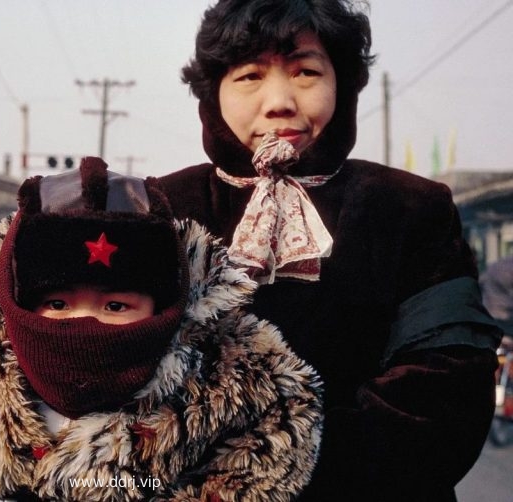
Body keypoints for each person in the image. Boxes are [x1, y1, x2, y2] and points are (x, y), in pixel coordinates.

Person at [157, 1, 502, 500]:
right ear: (213, 94)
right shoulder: (161, 208)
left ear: (343, 83)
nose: (279, 101)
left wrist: (279, 466)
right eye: (250, 75)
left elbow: (447, 382)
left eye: (306, 71)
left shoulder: (411, 207)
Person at [0, 158, 323, 501]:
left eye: (115, 304)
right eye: (58, 304)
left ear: (164, 306)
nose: (83, 324)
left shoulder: (224, 376)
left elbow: (259, 458)